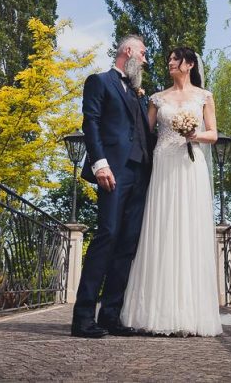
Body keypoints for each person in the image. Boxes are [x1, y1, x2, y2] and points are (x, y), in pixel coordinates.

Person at [120, 46, 223, 336]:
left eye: (175, 60)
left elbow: (213, 134)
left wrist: (195, 134)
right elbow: (144, 131)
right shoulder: (157, 98)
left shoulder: (205, 97)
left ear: (189, 64)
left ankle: (191, 315)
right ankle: (155, 312)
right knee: (162, 232)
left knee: (189, 233)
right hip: (164, 164)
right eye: (169, 60)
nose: (170, 63)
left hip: (192, 169)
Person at [71, 34, 154, 338]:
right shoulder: (100, 81)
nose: (145, 59)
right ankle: (82, 318)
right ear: (128, 51)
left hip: (141, 174)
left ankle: (110, 315)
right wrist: (99, 163)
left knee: (127, 244)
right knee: (107, 235)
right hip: (113, 171)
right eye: (143, 54)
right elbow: (90, 123)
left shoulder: (138, 93)